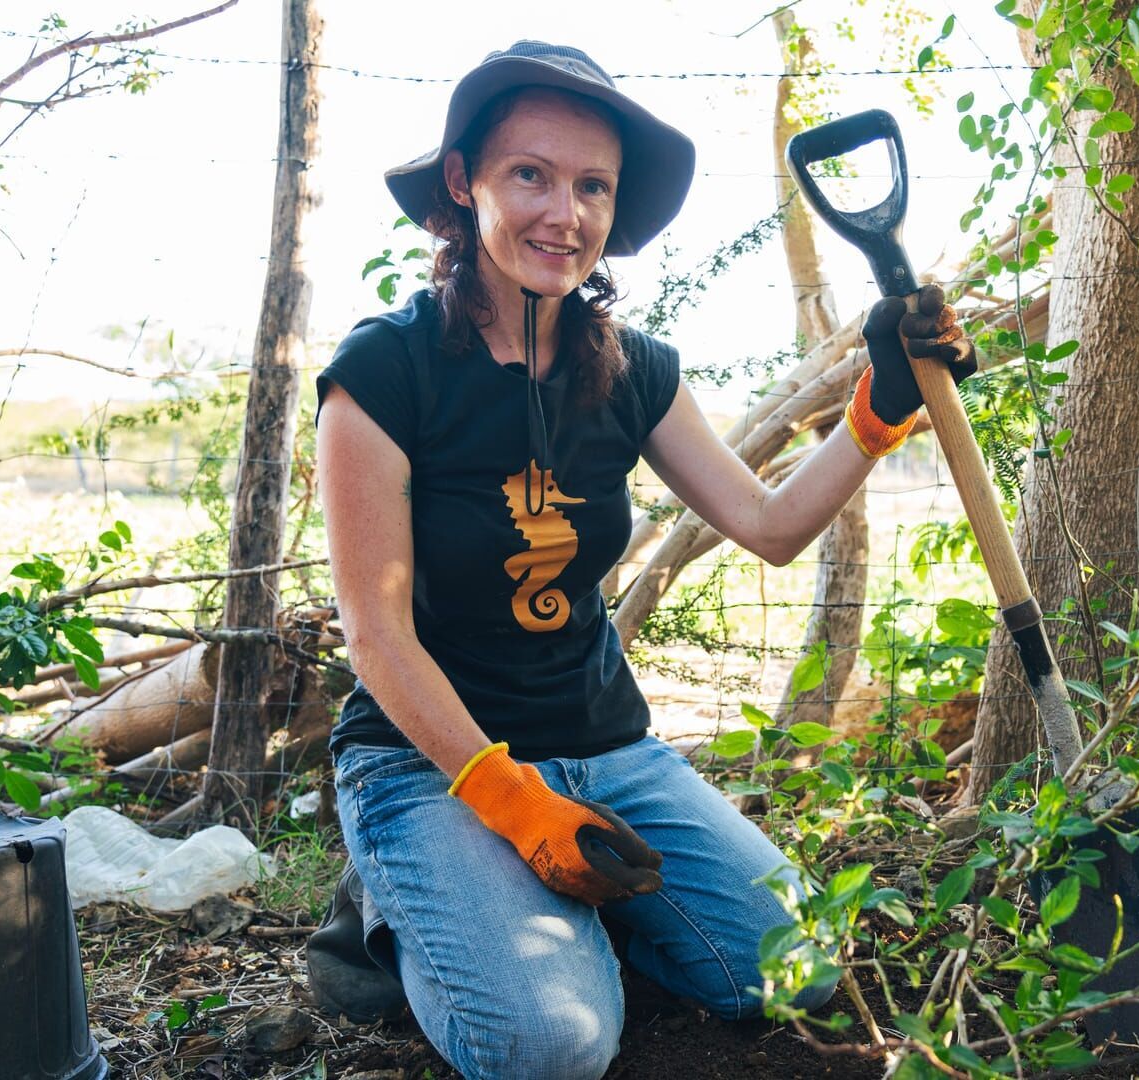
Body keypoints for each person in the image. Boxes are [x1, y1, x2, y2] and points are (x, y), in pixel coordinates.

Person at [305, 41, 974, 1079]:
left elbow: (771, 526)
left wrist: (880, 404)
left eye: (591, 186)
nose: (560, 213)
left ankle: (553, 924)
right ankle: (398, 917)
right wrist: (512, 802)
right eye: (529, 173)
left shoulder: (631, 370)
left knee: (794, 970)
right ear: (461, 181)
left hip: (606, 750)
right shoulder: (384, 376)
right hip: (432, 764)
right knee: (553, 1048)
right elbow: (376, 636)